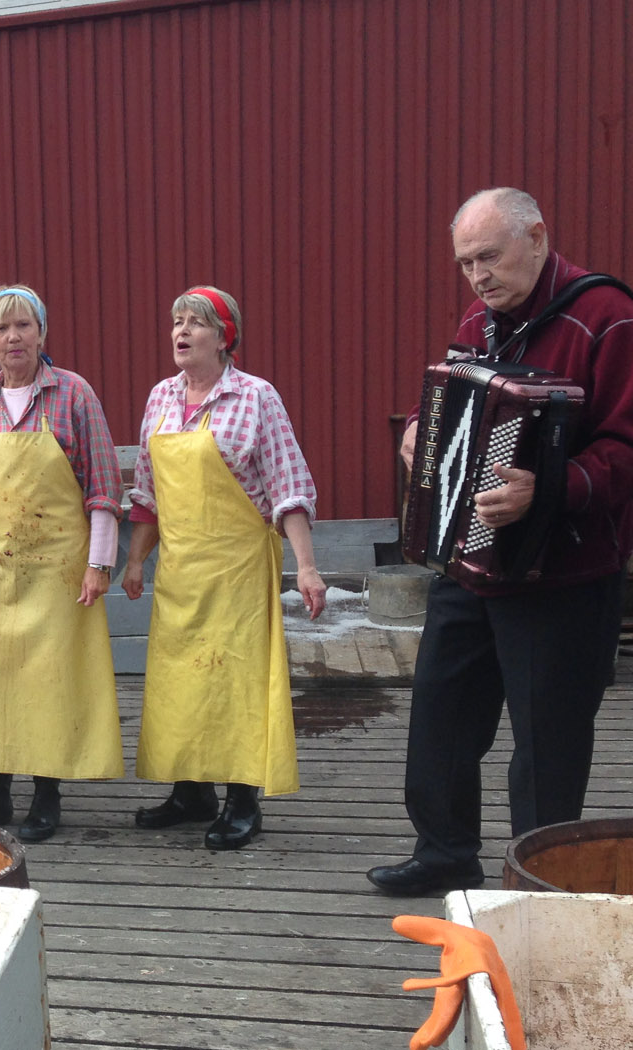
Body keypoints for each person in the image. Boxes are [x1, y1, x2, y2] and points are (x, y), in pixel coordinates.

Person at [367, 187, 633, 895]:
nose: (478, 276)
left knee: (547, 745)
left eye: (489, 256)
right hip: (475, 557)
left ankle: (535, 881)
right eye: (465, 263)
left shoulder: (607, 316)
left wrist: (548, 489)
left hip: (566, 575)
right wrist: (424, 439)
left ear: (538, 238)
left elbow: (625, 448)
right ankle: (445, 852)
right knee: (441, 714)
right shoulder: (479, 320)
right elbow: (457, 402)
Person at [122, 286, 326, 851]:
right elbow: (148, 493)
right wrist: (136, 560)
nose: (181, 332)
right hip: (182, 566)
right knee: (182, 681)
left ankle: (241, 799)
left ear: (224, 336)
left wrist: (306, 568)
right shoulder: (161, 398)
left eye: (196, 323)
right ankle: (192, 793)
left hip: (238, 565)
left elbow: (290, 489)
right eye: (177, 322)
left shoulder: (256, 397)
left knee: (236, 681)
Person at [0, 284, 124, 843]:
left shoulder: (73, 394)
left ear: (41, 333)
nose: (13, 337)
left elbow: (103, 486)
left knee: (48, 682)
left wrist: (99, 566)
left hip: (58, 569)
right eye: (1, 329)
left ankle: (47, 796)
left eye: (23, 325)